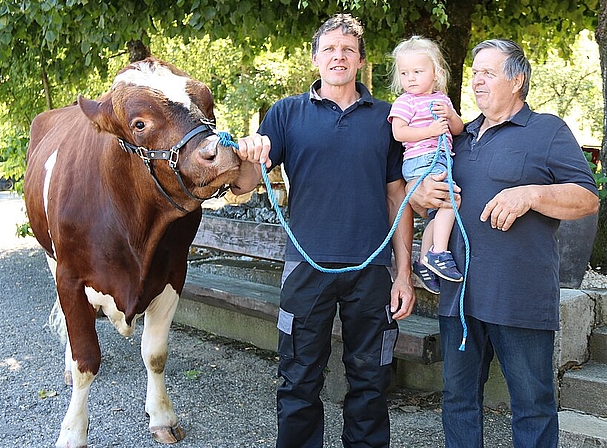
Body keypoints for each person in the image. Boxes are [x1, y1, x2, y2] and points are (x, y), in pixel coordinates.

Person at [230, 13, 416, 448]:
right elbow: (243, 184)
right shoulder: (286, 113)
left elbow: (398, 198)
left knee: (372, 382)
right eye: (330, 49)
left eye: (348, 50)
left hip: (371, 274)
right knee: (298, 381)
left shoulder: (388, 120)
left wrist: (404, 274)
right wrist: (247, 154)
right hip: (306, 271)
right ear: (315, 58)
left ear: (360, 61)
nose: (339, 56)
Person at [409, 39, 599, 447]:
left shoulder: (547, 130)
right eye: (475, 72)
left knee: (532, 405)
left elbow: (586, 198)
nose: (477, 81)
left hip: (520, 299)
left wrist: (530, 194)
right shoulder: (457, 136)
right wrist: (423, 195)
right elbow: (432, 201)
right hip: (459, 298)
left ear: (517, 80)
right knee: (458, 401)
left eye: (488, 73)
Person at [388, 36, 465, 294]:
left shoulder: (442, 99)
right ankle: (439, 252)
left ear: (436, 73)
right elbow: (399, 133)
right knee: (451, 201)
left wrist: (451, 116)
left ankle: (424, 261)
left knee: (438, 211)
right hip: (420, 161)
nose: (410, 78)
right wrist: (430, 129)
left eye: (417, 72)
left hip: (442, 159)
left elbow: (457, 129)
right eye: (404, 73)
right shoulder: (405, 102)